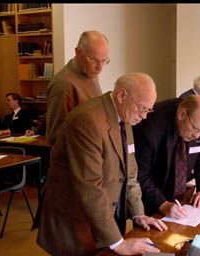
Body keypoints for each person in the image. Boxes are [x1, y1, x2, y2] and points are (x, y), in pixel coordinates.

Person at [37, 73, 167, 256]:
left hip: (104, 216)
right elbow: (89, 187)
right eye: (142, 109)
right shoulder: (88, 120)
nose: (144, 117)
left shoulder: (126, 116)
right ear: (122, 96)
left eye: (148, 111)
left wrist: (138, 213)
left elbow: (129, 173)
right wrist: (118, 243)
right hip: (75, 219)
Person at [133, 95, 200, 219]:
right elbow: (140, 174)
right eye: (194, 129)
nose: (197, 136)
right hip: (150, 197)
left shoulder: (199, 123)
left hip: (180, 200)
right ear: (182, 115)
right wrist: (162, 204)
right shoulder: (150, 127)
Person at [46, 30, 109, 145]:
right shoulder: (63, 85)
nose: (100, 67)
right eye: (94, 60)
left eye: (104, 60)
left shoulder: (90, 73)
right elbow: (56, 137)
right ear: (78, 52)